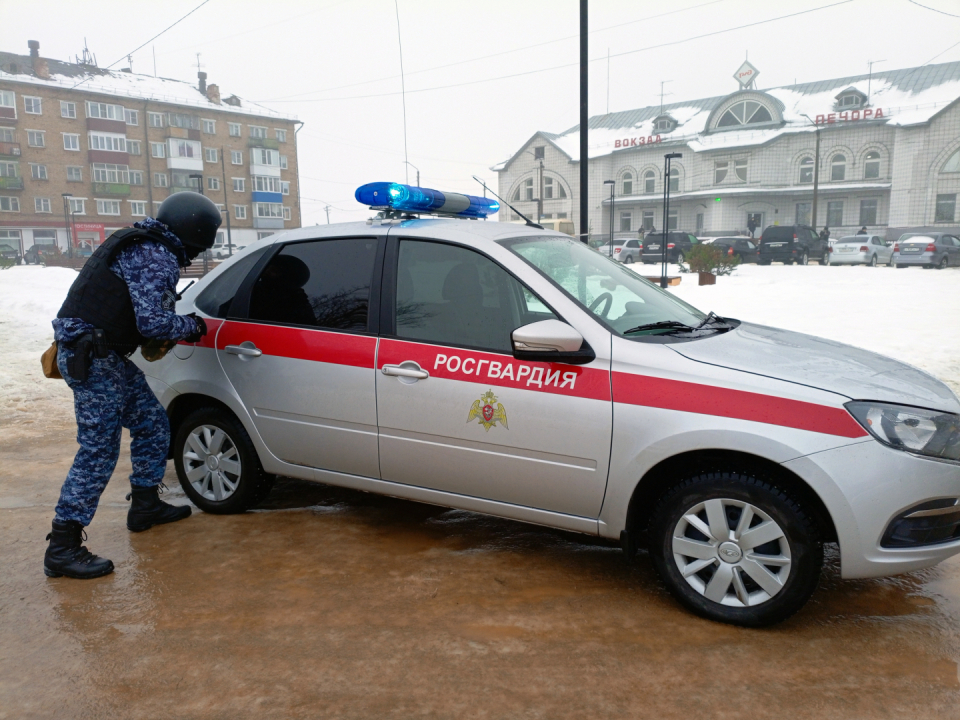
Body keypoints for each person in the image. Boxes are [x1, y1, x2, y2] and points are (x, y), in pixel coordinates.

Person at [44, 192, 221, 580]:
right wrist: (194, 327)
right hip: (94, 359)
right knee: (98, 449)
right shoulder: (154, 254)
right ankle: (63, 546)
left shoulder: (141, 242)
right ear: (194, 235)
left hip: (102, 356)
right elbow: (153, 324)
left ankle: (145, 505)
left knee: (152, 424)